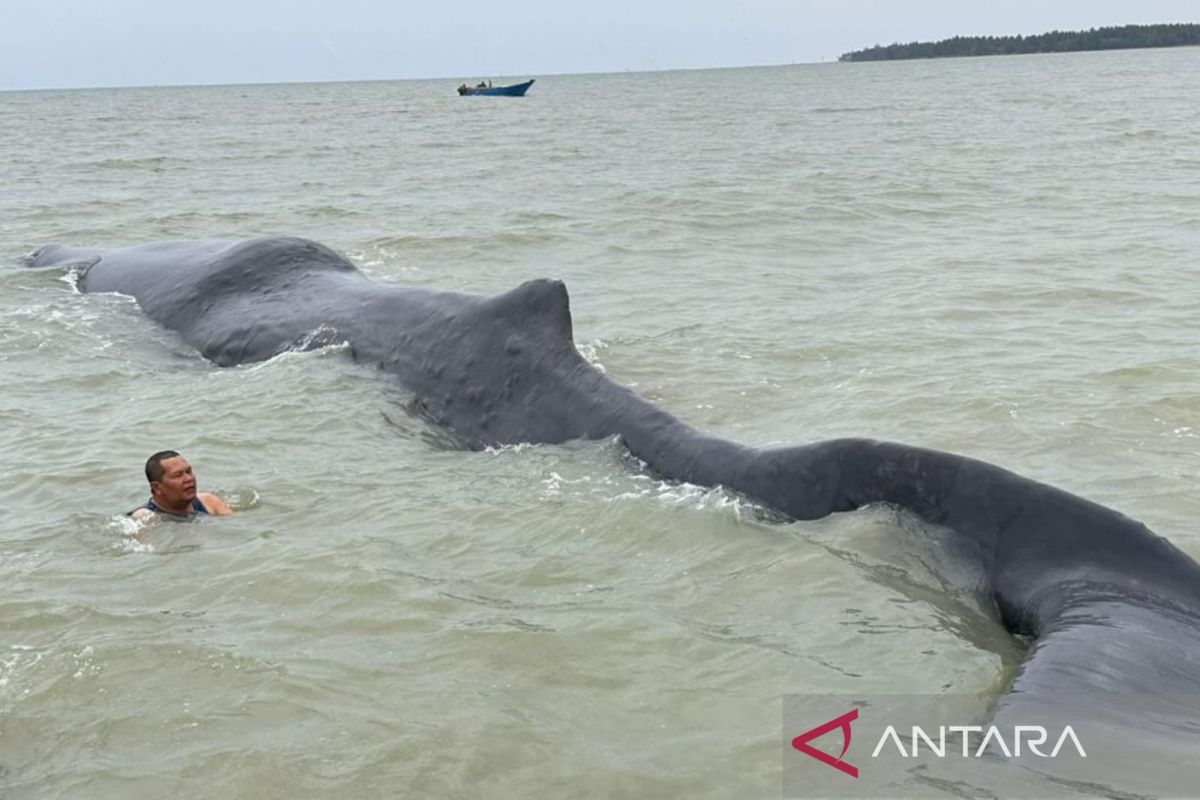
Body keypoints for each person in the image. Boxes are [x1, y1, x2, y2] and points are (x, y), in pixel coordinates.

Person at [130, 450, 233, 519]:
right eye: (178, 475)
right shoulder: (146, 517)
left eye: (189, 472)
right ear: (157, 488)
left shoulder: (208, 501)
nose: (188, 479)